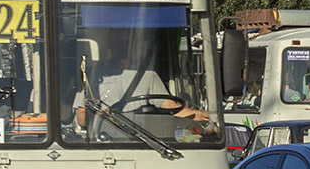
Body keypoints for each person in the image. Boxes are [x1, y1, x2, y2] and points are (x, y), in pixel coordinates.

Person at [74, 34, 209, 126]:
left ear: (134, 45)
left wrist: (201, 115)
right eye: (119, 42)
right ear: (110, 44)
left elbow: (169, 107)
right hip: (106, 140)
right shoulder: (96, 75)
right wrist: (101, 117)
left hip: (144, 140)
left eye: (127, 42)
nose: (123, 46)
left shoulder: (148, 74)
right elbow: (81, 116)